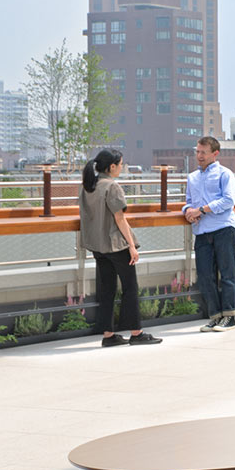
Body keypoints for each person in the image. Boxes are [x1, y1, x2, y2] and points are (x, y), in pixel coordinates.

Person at [79, 149, 161, 347]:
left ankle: (108, 335)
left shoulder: (89, 185)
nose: (122, 167)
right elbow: (120, 218)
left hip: (97, 245)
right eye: (121, 164)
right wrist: (132, 246)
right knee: (130, 288)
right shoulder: (112, 187)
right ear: (112, 166)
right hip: (115, 245)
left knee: (107, 289)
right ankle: (136, 332)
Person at [183, 136, 235, 332]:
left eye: (203, 152)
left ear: (215, 154)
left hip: (224, 228)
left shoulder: (226, 174)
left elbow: (228, 201)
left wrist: (202, 210)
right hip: (202, 231)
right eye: (197, 152)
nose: (199, 156)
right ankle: (215, 317)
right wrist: (188, 212)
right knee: (205, 276)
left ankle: (230, 317)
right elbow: (189, 201)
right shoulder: (192, 177)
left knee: (227, 274)